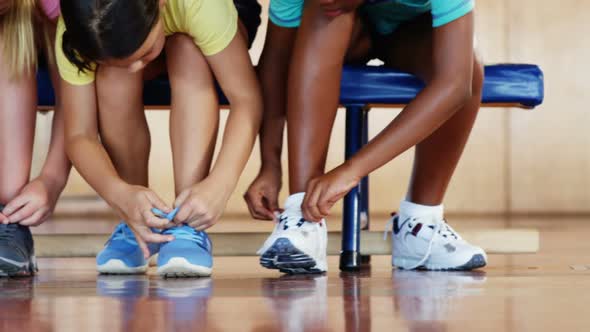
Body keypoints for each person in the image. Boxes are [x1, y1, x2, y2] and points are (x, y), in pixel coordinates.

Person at [249, 0, 487, 273]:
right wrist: (270, 163)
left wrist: (353, 169)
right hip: (343, 37)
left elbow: (456, 85)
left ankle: (420, 223)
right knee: (324, 10)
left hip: (410, 35)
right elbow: (277, 62)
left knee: (468, 66)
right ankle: (303, 218)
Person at [57, 0, 262, 277]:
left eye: (143, 56)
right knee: (114, 75)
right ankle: (139, 218)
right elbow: (79, 134)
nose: (136, 69)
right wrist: (118, 193)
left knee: (186, 49)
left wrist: (220, 185)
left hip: (219, 15)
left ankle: (187, 222)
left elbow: (247, 100)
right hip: (144, 28)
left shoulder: (201, 6)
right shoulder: (81, 25)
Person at [0, 0, 70, 277]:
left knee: (8, 45)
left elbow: (74, 98)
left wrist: (51, 180)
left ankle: (10, 212)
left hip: (45, 37)